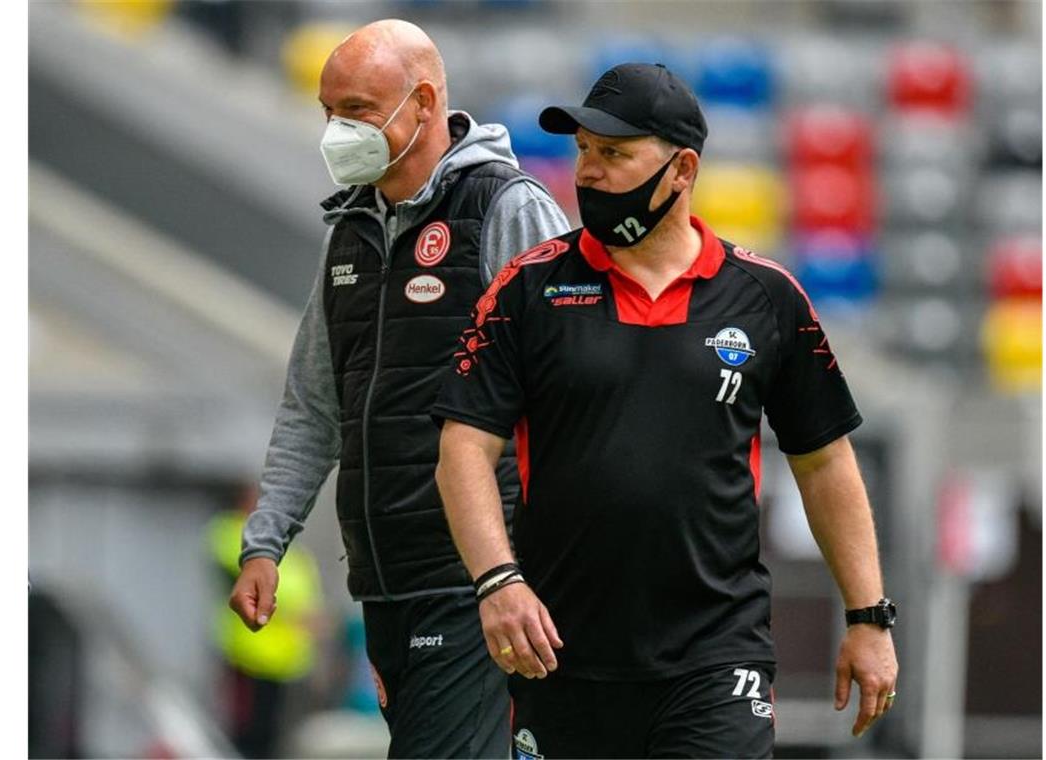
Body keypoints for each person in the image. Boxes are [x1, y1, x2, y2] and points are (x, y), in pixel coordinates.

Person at [432, 63, 899, 758]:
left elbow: (825, 460)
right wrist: (498, 582)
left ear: (682, 170)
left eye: (614, 155)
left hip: (716, 658)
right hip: (560, 655)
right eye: (584, 151)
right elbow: (463, 450)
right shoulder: (526, 289)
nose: (587, 172)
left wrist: (869, 617)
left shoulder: (766, 297)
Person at [226, 19, 570, 759]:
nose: (335, 130)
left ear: (421, 104)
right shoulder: (347, 233)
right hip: (383, 583)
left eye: (354, 109)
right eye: (327, 111)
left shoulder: (507, 210)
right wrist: (265, 545)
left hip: (476, 581)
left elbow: (572, 399)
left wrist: (523, 570)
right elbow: (314, 406)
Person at [208, 487, 325, 759]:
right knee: (247, 734)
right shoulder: (231, 534)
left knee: (275, 737)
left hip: (287, 659)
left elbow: (305, 590)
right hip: (250, 654)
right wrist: (297, 613)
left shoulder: (285, 545)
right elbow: (250, 580)